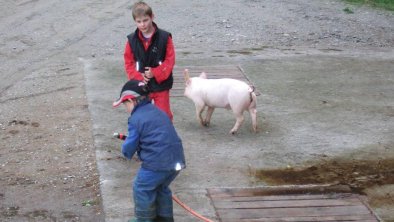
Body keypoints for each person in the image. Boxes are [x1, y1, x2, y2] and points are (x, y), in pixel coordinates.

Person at [113, 80, 186, 222]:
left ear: (132, 101)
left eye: (125, 104)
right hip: (176, 161)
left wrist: (126, 152)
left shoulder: (135, 118)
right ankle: (165, 218)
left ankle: (144, 219)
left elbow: (130, 145)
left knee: (141, 187)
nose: (126, 108)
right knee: (161, 187)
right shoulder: (158, 111)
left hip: (157, 162)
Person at [124, 1, 175, 121]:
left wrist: (155, 73)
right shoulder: (131, 40)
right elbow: (128, 63)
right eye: (139, 21)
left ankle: (165, 138)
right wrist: (138, 76)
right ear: (135, 21)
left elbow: (170, 60)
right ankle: (145, 139)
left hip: (161, 85)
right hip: (141, 86)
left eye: (145, 20)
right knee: (141, 117)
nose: (142, 25)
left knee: (163, 116)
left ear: (152, 17)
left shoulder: (165, 37)